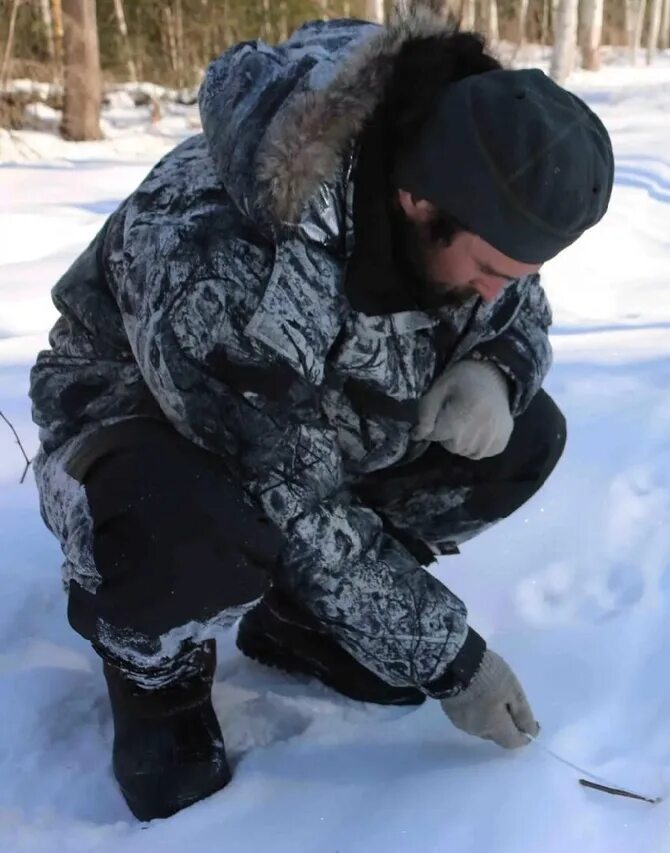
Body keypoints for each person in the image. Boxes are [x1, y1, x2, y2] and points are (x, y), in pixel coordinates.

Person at [27, 10, 613, 821]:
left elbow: (517, 307)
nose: (498, 290)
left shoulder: (465, 177)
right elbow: (288, 497)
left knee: (526, 436)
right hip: (143, 428)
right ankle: (155, 671)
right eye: (488, 269)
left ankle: (300, 625)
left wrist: (498, 369)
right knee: (191, 525)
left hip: (312, 411)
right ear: (417, 201)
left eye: (517, 271)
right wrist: (453, 659)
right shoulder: (225, 257)